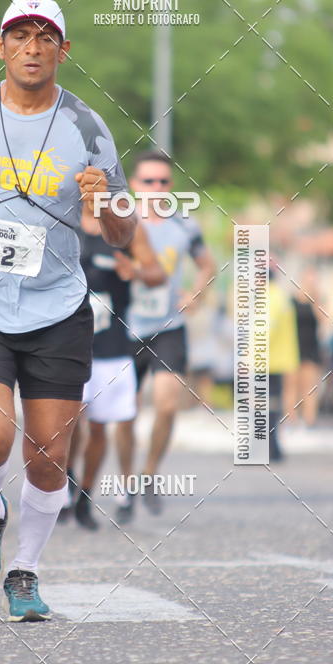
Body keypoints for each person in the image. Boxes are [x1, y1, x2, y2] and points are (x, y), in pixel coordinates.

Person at [0, 0, 135, 621]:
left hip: (57, 309)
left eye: (45, 38)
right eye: (20, 37)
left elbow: (123, 236)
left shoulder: (87, 129)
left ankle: (26, 573)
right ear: (0, 46)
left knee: (46, 457)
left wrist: (108, 202)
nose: (32, 49)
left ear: (63, 51)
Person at [114, 150, 216, 517]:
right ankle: (126, 484)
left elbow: (206, 265)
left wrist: (197, 294)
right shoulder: (120, 223)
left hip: (168, 326)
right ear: (134, 185)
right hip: (124, 327)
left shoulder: (183, 224)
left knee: (168, 403)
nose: (156, 188)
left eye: (162, 182)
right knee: (124, 413)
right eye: (148, 181)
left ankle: (150, 473)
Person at [63, 200, 165, 529]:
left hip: (111, 346)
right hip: (63, 342)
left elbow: (157, 274)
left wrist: (135, 272)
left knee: (99, 426)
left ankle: (85, 496)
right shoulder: (58, 221)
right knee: (65, 423)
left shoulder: (125, 228)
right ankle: (65, 480)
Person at [268, 261, 300, 461]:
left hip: (267, 361)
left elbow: (266, 330)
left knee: (265, 406)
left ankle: (269, 448)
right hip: (280, 360)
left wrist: (247, 357)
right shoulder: (280, 296)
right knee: (273, 405)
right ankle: (274, 448)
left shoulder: (269, 298)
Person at [287, 267, 322, 428]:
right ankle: (291, 420)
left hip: (311, 347)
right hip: (294, 346)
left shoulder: (317, 301)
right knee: (292, 385)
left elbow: (324, 321)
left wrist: (315, 300)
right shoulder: (292, 301)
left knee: (309, 387)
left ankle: (309, 421)